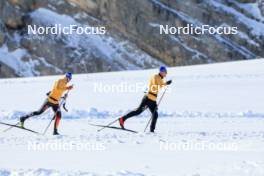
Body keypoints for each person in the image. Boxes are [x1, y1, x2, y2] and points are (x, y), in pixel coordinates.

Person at [118, 66, 172, 132]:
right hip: (148, 99)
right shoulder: (155, 77)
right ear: (161, 72)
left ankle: (152, 131)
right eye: (165, 72)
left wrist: (155, 102)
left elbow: (158, 87)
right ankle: (122, 119)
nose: (166, 74)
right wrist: (165, 84)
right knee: (138, 111)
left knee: (155, 115)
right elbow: (156, 87)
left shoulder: (160, 79)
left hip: (152, 100)